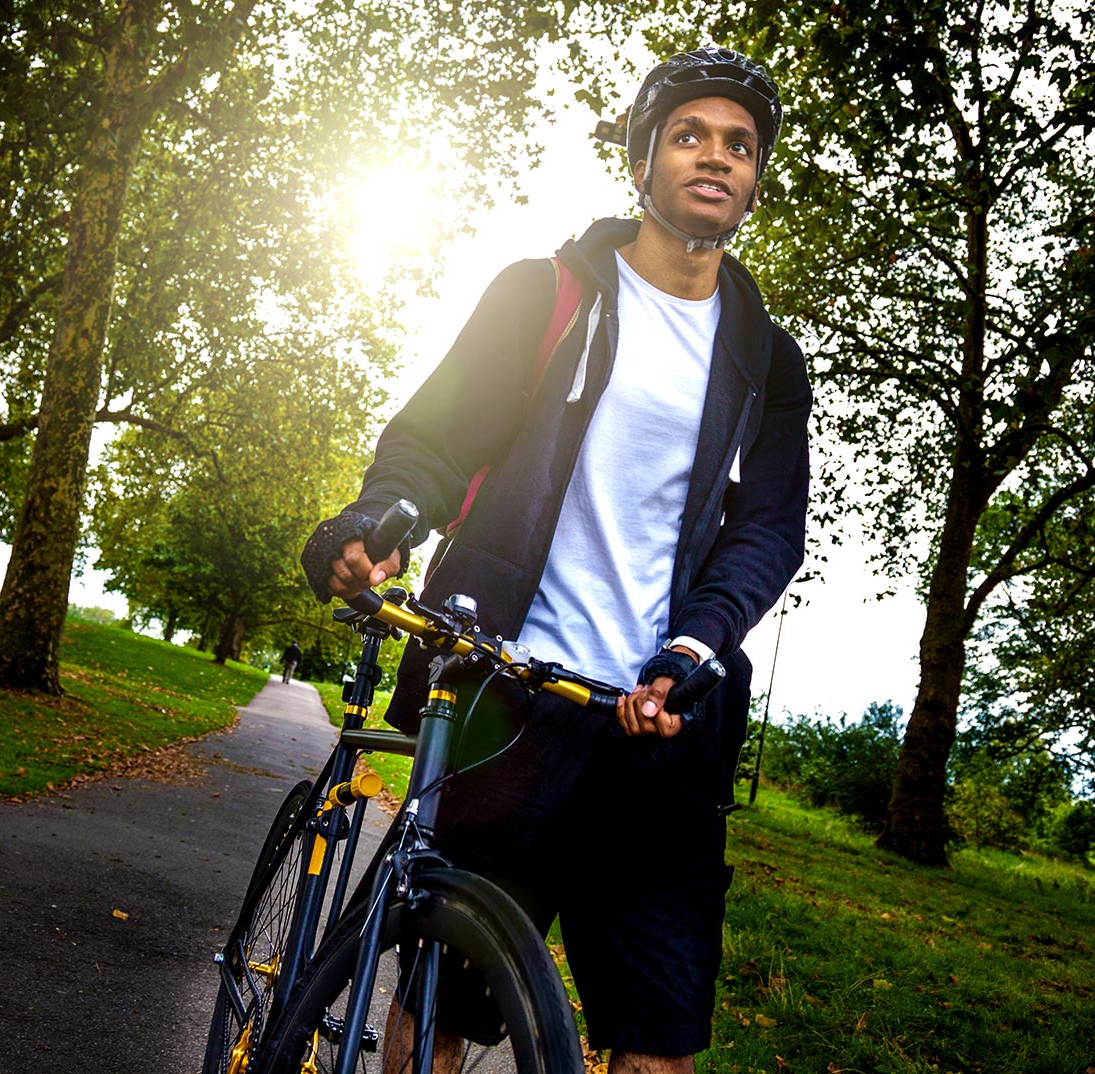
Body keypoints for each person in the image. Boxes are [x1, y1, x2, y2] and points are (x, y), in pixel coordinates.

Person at [301, 46, 809, 1073]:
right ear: (644, 160)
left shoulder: (766, 359)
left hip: (659, 732)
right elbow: (438, 440)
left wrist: (694, 649)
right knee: (441, 1012)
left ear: (754, 177)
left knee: (657, 1046)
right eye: (689, 135)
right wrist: (388, 513)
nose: (715, 157)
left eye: (739, 145)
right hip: (508, 699)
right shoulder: (545, 296)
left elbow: (768, 530)